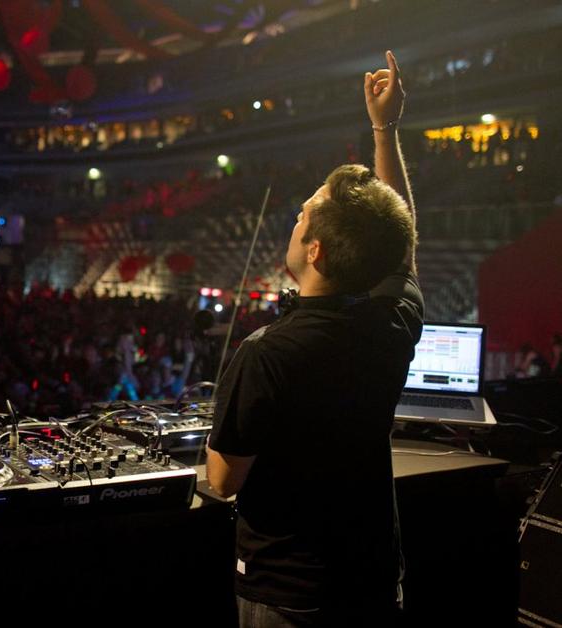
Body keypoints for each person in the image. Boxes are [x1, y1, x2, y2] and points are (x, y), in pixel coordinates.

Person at [206, 50, 422, 626]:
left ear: (317, 252)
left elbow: (222, 481)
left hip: (290, 597)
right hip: (375, 581)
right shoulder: (394, 323)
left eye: (303, 216)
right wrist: (385, 130)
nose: (296, 219)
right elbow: (398, 248)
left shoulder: (267, 352)